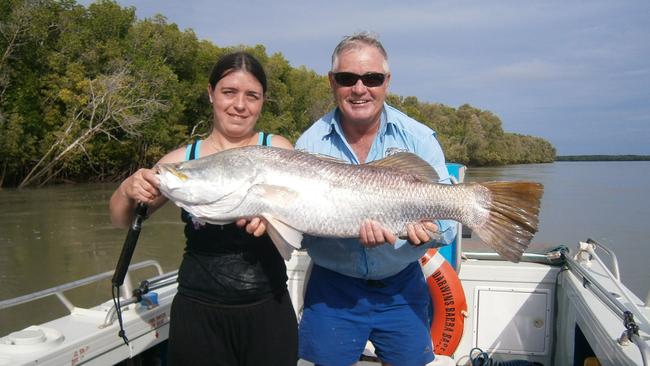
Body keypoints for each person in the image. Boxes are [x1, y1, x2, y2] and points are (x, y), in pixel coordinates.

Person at [109, 51, 297, 366]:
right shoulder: (181, 161)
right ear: (211, 94)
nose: (240, 104)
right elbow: (120, 219)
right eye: (229, 92)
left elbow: (300, 209)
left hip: (268, 308)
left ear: (263, 101)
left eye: (252, 95)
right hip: (198, 312)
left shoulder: (276, 148)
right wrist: (128, 190)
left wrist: (273, 215)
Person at [295, 32, 457, 366]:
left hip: (402, 286)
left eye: (371, 78)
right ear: (332, 82)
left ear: (387, 82)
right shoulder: (308, 146)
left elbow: (448, 225)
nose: (359, 89)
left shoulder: (419, 139)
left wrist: (431, 231)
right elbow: (298, 227)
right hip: (332, 290)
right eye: (346, 78)